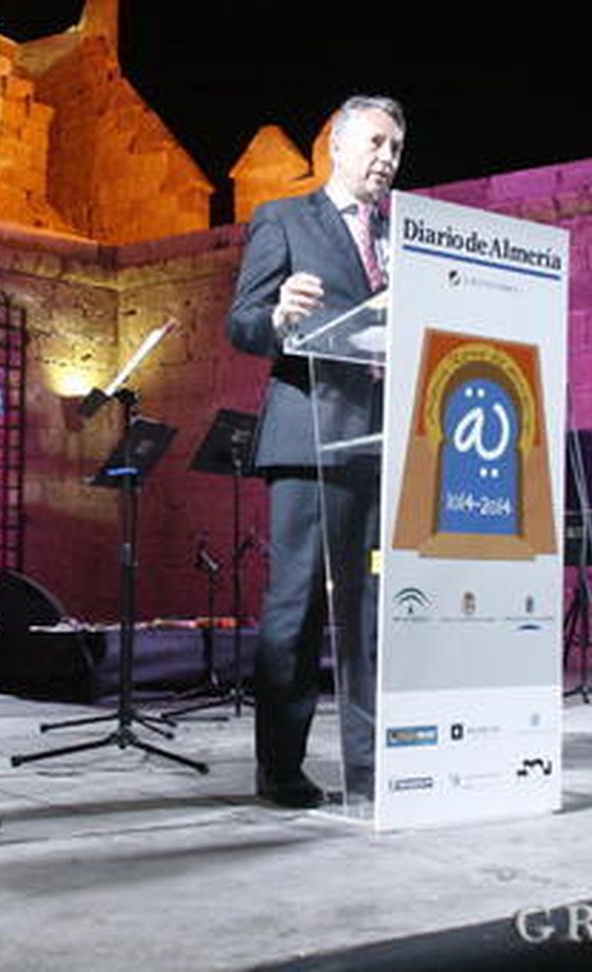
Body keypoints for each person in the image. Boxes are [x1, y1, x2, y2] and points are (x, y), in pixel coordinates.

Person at [227, 95, 405, 808]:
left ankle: (368, 766)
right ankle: (281, 767)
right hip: (309, 438)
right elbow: (242, 322)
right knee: (296, 608)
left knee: (368, 612)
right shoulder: (285, 218)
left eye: (396, 146)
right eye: (376, 143)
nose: (387, 158)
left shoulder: (402, 233)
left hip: (383, 441)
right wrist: (277, 315)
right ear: (336, 144)